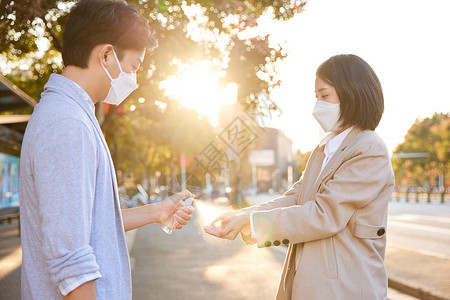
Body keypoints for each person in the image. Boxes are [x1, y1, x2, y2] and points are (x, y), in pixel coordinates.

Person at [19, 1, 194, 299]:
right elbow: (72, 263)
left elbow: (87, 222)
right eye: (133, 67)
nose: (134, 80)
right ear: (106, 55)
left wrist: (157, 210)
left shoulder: (74, 115)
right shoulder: (66, 124)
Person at [204, 54, 394, 299]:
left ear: (352, 93)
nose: (319, 105)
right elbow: (295, 198)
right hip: (312, 284)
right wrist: (245, 215)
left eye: (325, 96)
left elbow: (325, 214)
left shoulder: (368, 148)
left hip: (345, 288)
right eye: (316, 97)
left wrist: (252, 224)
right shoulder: (323, 149)